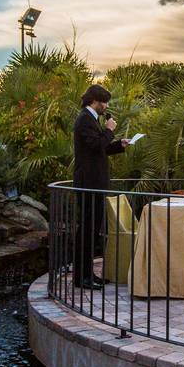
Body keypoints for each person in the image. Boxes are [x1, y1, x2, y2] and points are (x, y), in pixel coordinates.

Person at [72, 84, 129, 289]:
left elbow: (100, 149)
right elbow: (96, 145)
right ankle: (81, 278)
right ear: (94, 101)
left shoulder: (92, 120)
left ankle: (87, 274)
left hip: (95, 183)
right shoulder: (84, 120)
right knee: (86, 230)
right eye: (104, 102)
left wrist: (118, 145)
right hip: (88, 183)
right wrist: (109, 130)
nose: (106, 106)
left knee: (93, 230)